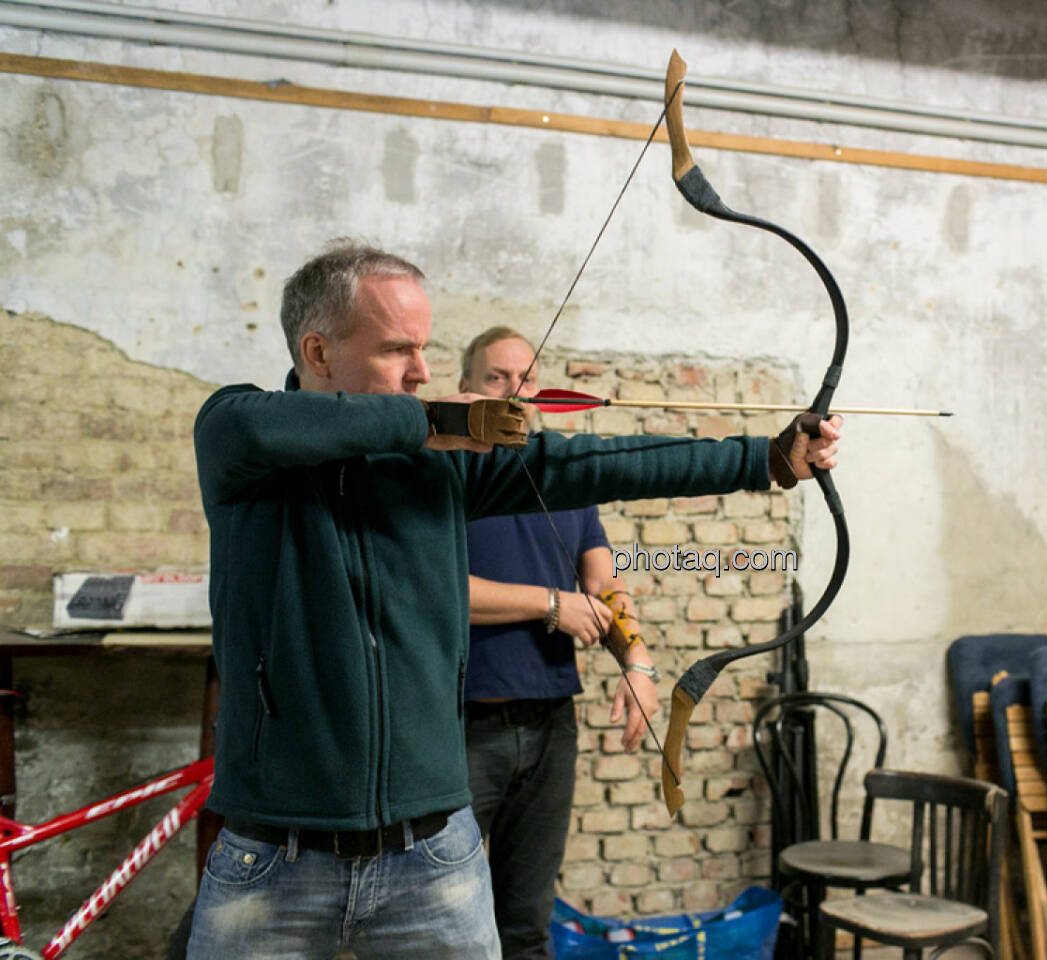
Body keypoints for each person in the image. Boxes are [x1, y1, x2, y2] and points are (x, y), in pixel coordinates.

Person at [184, 240, 841, 959]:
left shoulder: (438, 469)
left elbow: (596, 462)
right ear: (317, 351)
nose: (421, 372)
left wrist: (767, 459)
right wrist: (433, 421)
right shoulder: (240, 435)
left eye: (425, 349)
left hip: (431, 852)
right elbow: (260, 425)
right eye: (396, 350)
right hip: (275, 856)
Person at [459, 325, 657, 960]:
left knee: (525, 926)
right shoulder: (447, 471)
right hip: (460, 727)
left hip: (549, 727)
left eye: (525, 379)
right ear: (465, 389)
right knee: (443, 929)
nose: (514, 391)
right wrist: (550, 604)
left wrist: (638, 662)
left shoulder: (566, 479)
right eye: (496, 378)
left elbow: (606, 587)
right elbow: (435, 590)